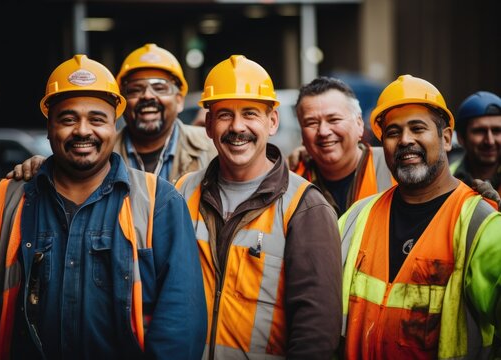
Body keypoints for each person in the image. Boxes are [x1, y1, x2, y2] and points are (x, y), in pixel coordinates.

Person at [0, 55, 206, 359]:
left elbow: (181, 322)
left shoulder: (159, 203)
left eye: (97, 119)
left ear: (112, 127)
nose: (82, 130)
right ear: (49, 127)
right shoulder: (2, 204)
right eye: (68, 119)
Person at [174, 55, 342, 359]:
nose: (237, 127)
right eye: (225, 114)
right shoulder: (183, 191)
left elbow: (315, 334)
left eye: (250, 113)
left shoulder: (305, 207)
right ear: (209, 125)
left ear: (272, 121)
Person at [338, 74, 501, 359]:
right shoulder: (357, 216)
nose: (405, 140)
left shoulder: (481, 224)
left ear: (447, 138)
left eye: (417, 128)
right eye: (393, 132)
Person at [9, 43, 217, 184]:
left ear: (179, 100)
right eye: (135, 89)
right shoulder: (94, 152)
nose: (147, 96)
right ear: (122, 102)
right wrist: (44, 166)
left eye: (160, 88)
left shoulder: (214, 150)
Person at [291, 76, 396, 216]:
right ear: (302, 133)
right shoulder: (290, 180)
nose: (323, 131)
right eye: (311, 123)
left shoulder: (394, 166)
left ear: (359, 124)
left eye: (334, 119)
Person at [450, 90, 501, 195]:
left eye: (497, 131)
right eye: (480, 131)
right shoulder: (446, 179)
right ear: (460, 138)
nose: (490, 141)